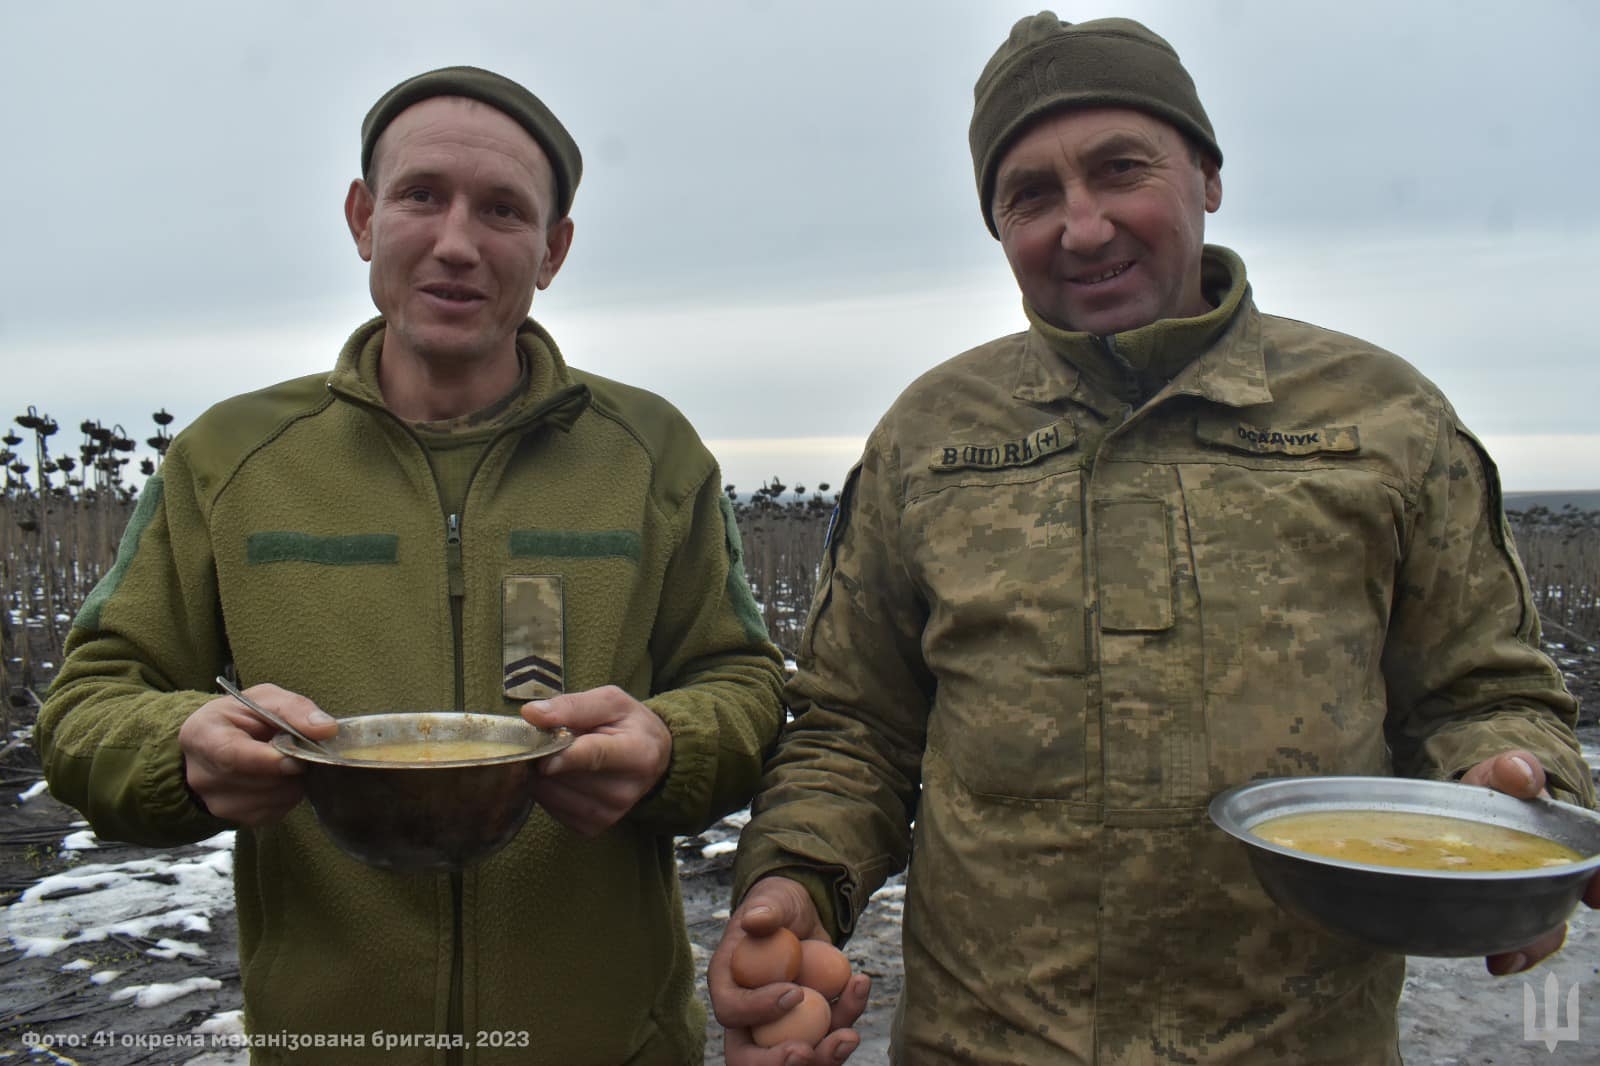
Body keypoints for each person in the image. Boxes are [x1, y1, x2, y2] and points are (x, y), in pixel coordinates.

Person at [708, 13, 1598, 1065]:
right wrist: (794, 883)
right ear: (995, 222)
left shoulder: (1386, 419)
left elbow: (1481, 691)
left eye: (1119, 170)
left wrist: (1517, 790)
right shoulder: (931, 437)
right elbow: (854, 726)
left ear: (1207, 176)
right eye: (1029, 194)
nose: (1081, 228)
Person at [38, 65, 786, 1064]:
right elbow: (86, 705)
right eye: (421, 195)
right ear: (362, 217)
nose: (457, 243)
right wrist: (181, 744)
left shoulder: (649, 454)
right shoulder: (233, 461)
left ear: (553, 250)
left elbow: (743, 684)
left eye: (503, 210)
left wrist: (671, 747)